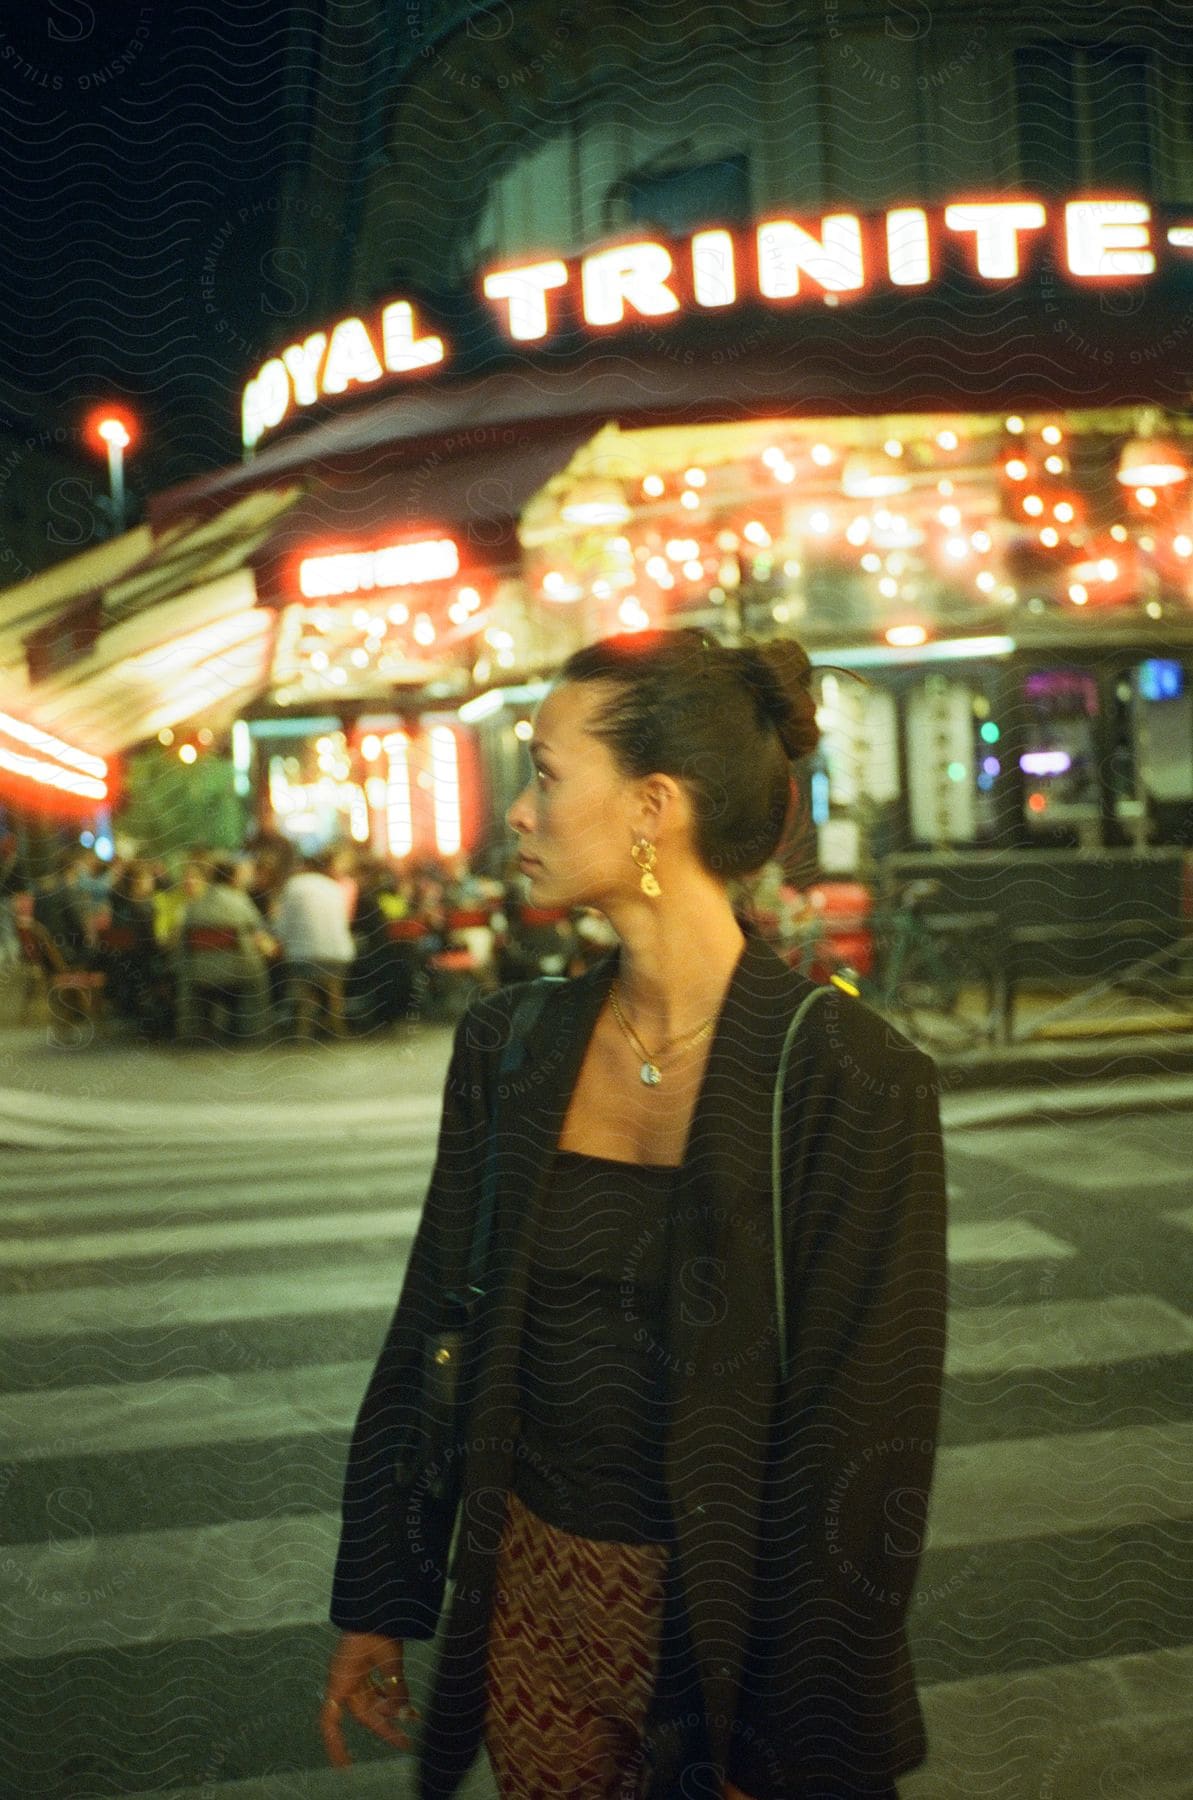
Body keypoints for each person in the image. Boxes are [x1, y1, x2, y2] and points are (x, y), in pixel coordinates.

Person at [322, 628, 948, 1800]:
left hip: (726, 1630)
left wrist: (772, 1742)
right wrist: (377, 1598)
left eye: (546, 775)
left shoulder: (849, 1077)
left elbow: (861, 1446)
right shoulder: (509, 1044)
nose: (516, 811)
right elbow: (429, 1329)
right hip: (528, 1603)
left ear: (652, 805)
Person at [176, 853, 275, 1044]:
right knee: (258, 979)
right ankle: (251, 1029)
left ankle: (196, 1030)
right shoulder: (239, 902)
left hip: (200, 972)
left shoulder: (194, 905)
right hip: (238, 971)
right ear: (233, 877)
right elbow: (258, 933)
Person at [272, 846, 356, 1041]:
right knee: (333, 987)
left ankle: (303, 1029)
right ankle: (336, 1025)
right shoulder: (334, 887)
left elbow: (281, 926)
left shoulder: (293, 885)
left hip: (304, 957)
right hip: (338, 957)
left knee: (305, 987)